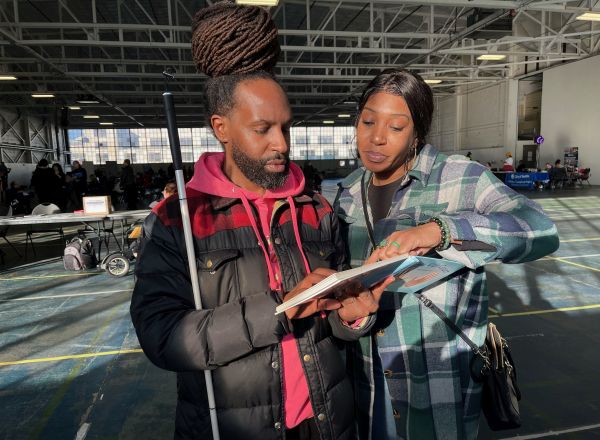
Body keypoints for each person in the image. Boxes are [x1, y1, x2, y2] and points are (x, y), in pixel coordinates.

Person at [130, 3, 392, 440]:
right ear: (222, 127)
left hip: (326, 424)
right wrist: (279, 310)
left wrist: (353, 319)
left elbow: (332, 326)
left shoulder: (316, 210)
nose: (281, 143)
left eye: (286, 127)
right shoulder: (179, 221)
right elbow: (161, 336)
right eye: (263, 128)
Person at [333, 69, 559, 440]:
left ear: (417, 132)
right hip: (369, 386)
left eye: (396, 127)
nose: (375, 138)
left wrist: (440, 230)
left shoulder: (461, 178)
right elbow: (345, 292)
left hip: (438, 386)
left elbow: (540, 229)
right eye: (368, 121)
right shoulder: (345, 195)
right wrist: (350, 317)